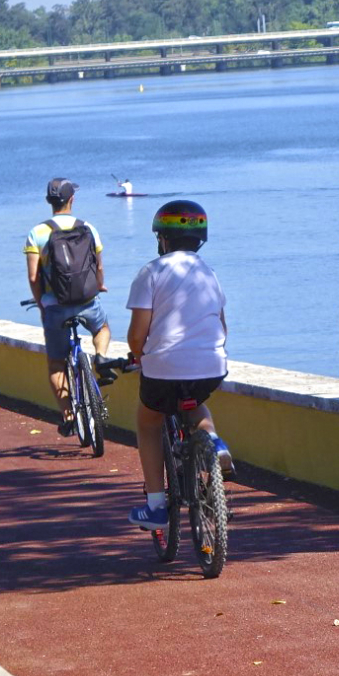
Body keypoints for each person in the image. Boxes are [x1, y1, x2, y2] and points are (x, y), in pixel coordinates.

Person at [124, 200, 236, 528]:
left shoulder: (151, 272)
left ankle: (156, 506)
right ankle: (214, 443)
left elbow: (137, 336)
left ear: (162, 239)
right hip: (212, 365)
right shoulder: (208, 273)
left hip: (164, 369)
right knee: (195, 405)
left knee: (149, 421)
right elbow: (222, 327)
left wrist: (138, 355)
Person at [24, 178, 112, 438]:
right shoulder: (88, 228)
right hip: (87, 300)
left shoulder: (37, 233)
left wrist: (42, 304)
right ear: (72, 199)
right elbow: (99, 267)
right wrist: (99, 285)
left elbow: (33, 277)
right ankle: (101, 356)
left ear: (49, 202)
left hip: (55, 306)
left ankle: (69, 416)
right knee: (102, 328)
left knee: (56, 364)